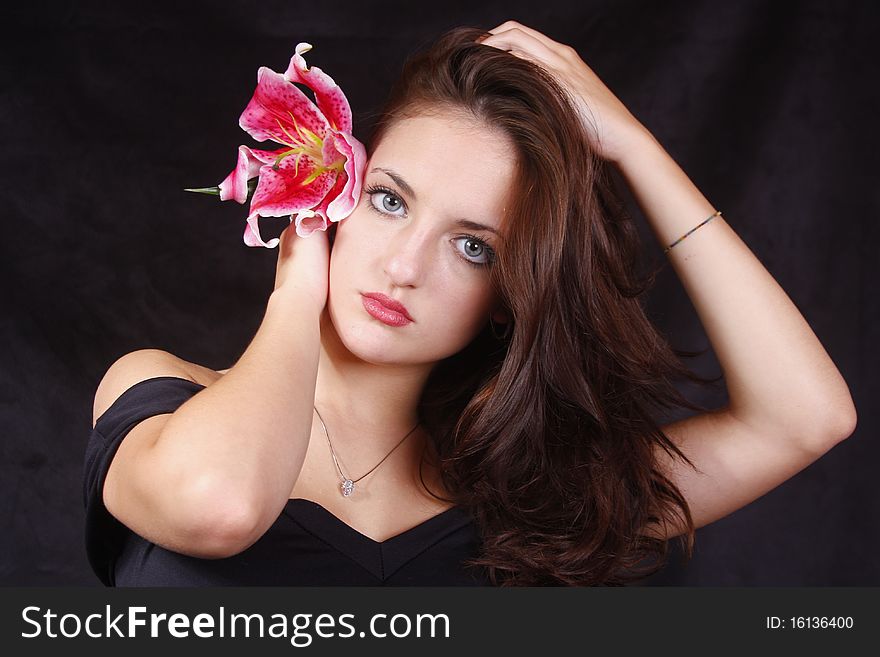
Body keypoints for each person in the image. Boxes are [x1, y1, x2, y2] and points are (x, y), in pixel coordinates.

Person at [84, 21, 857, 586]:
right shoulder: (162, 395)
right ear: (335, 193)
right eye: (388, 201)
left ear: (503, 297)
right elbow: (220, 504)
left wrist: (632, 146)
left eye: (473, 246)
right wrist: (298, 286)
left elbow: (808, 415)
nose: (405, 264)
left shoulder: (539, 493)